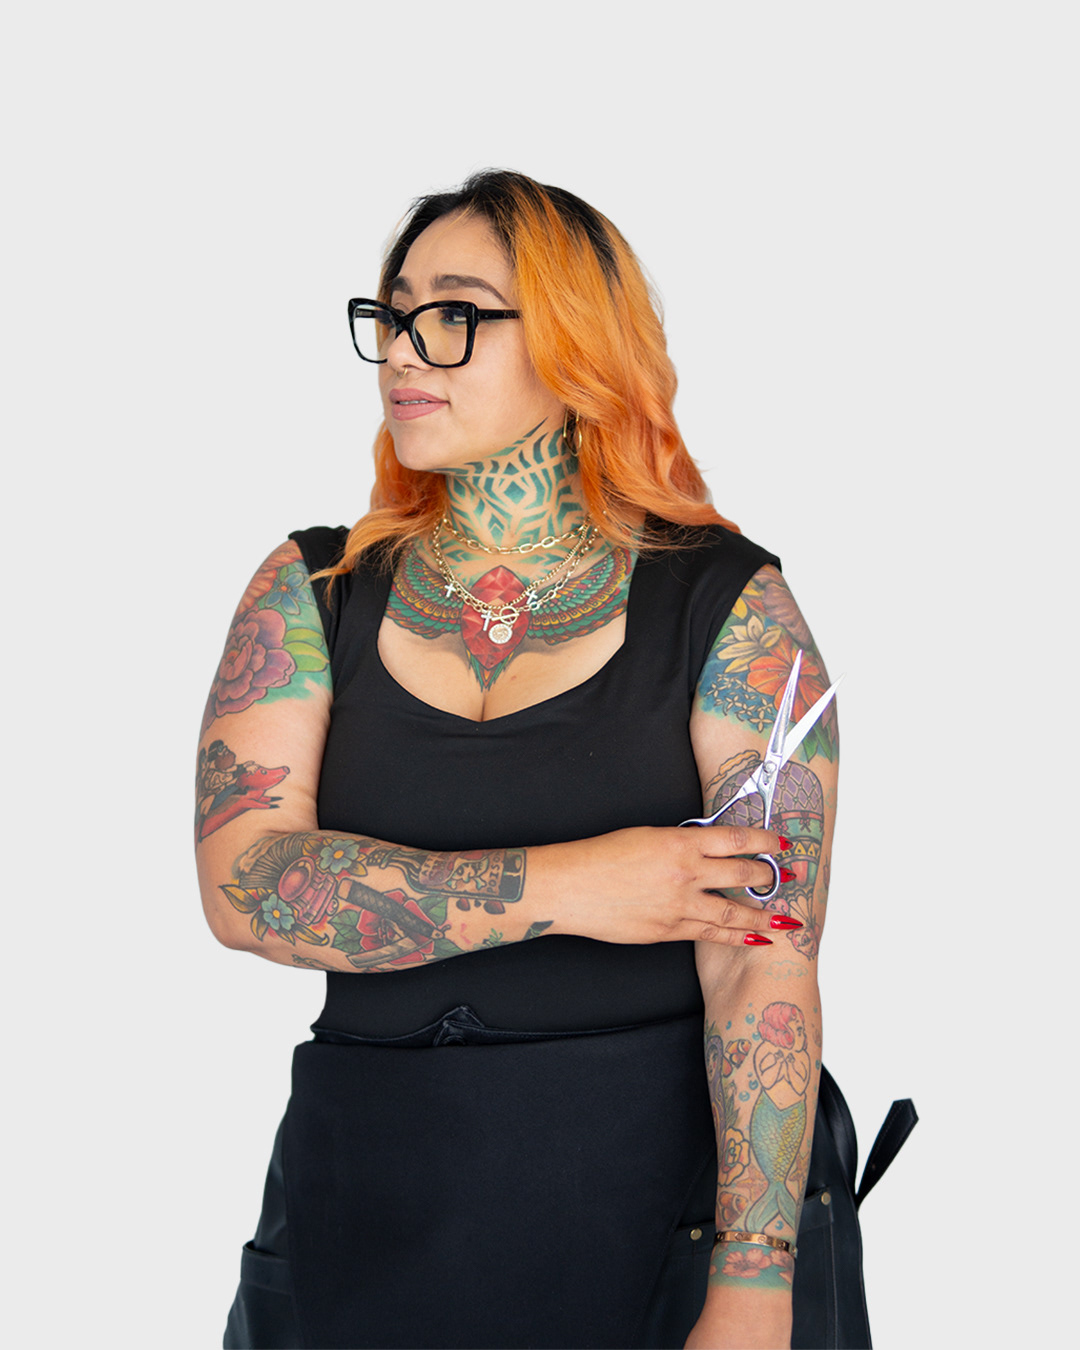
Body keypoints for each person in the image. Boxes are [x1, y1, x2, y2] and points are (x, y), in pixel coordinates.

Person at [198, 170, 841, 1350]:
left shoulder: (731, 608)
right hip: (363, 1199)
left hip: (641, 1204)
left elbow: (764, 968)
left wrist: (755, 1282)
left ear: (574, 341)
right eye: (394, 314)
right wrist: (580, 884)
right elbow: (248, 888)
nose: (405, 351)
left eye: (454, 314)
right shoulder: (314, 589)